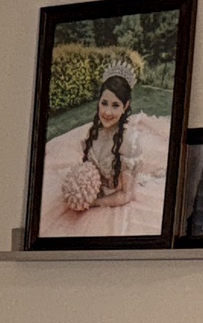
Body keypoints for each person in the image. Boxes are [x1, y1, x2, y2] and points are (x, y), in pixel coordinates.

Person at [53, 60, 142, 224]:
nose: (108, 111)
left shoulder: (129, 142)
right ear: (98, 102)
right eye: (104, 103)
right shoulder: (92, 132)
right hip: (91, 197)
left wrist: (93, 203)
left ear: (126, 106)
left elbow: (126, 194)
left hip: (113, 204)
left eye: (116, 105)